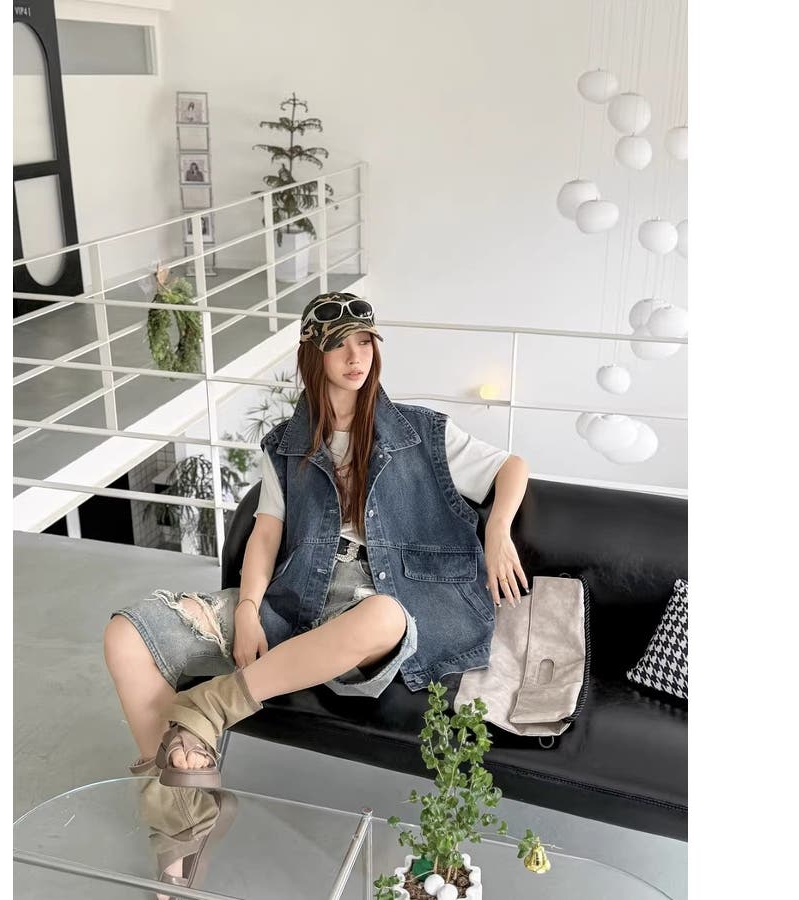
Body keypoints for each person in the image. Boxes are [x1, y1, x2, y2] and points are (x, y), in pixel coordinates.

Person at [104, 292, 531, 787]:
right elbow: (266, 533)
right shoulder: (286, 445)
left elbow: (510, 467)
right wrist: (247, 610)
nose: (355, 357)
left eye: (365, 342)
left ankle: (210, 707)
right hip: (299, 598)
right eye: (339, 345)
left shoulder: (422, 431)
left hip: (389, 603)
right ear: (312, 354)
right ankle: (180, 809)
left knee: (385, 617)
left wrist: (497, 530)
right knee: (126, 635)